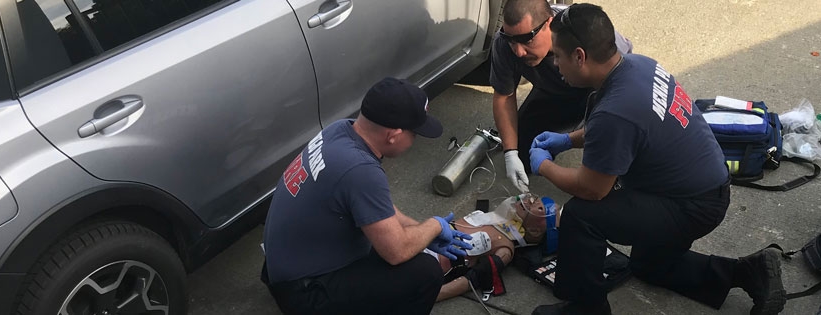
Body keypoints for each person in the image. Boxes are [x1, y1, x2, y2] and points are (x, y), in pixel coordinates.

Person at [527, 4, 784, 315]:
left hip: (691, 205)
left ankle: (586, 308)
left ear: (580, 56)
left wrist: (543, 165)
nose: (555, 63)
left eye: (558, 55)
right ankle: (749, 272)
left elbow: (592, 189)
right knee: (647, 266)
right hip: (704, 186)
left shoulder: (616, 112)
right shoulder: (637, 66)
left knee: (580, 216)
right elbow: (617, 130)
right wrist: (567, 140)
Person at [260, 77, 477, 315]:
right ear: (393, 134)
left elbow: (375, 207)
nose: (414, 141)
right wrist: (434, 226)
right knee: (425, 273)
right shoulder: (360, 170)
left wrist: (420, 231)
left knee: (407, 246)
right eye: (414, 134)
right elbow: (396, 252)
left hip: (284, 264)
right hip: (304, 293)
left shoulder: (340, 130)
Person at [490, 0, 633, 193]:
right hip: (554, 91)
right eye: (511, 40)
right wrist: (510, 153)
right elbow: (503, 96)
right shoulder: (505, 42)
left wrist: (579, 140)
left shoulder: (584, 33)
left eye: (527, 39)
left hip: (598, 91)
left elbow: (622, 102)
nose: (519, 51)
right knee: (525, 153)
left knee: (608, 163)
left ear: (549, 23)